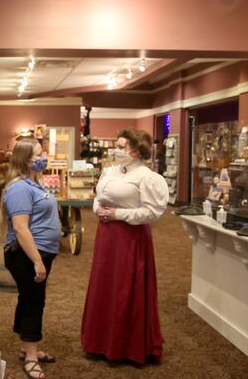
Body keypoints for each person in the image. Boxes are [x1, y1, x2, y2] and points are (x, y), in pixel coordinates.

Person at [81, 128, 169, 365]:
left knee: (125, 288)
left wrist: (118, 214)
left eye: (120, 147)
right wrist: (97, 208)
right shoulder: (111, 172)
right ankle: (100, 341)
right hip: (106, 237)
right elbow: (99, 196)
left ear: (134, 150)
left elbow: (153, 212)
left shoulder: (146, 177)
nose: (116, 151)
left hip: (129, 239)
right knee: (105, 285)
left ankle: (126, 346)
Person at [2, 138, 60, 379]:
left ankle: (27, 348)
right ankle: (32, 357)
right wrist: (37, 261)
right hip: (26, 255)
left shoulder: (33, 183)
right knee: (35, 302)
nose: (44, 156)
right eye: (39, 154)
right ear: (26, 160)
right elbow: (20, 228)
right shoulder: (19, 188)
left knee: (28, 299)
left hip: (39, 252)